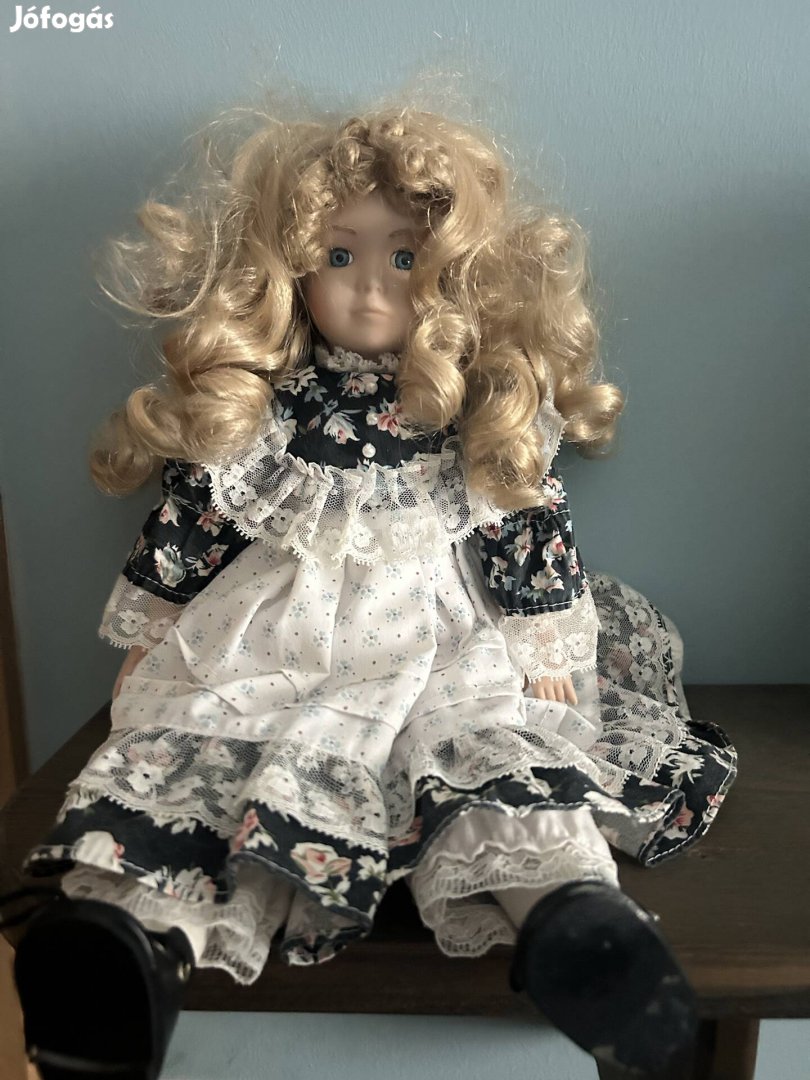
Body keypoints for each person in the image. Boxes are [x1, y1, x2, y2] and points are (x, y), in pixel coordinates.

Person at [4, 105, 737, 1078]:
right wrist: (154, 624)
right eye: (339, 255)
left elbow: (524, 521)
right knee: (223, 758)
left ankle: (571, 919)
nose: (368, 286)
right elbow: (196, 518)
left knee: (483, 752)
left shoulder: (473, 403)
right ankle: (130, 950)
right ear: (291, 265)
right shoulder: (261, 408)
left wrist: (545, 643)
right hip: (273, 640)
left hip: (436, 641)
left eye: (403, 258)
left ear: (452, 269)